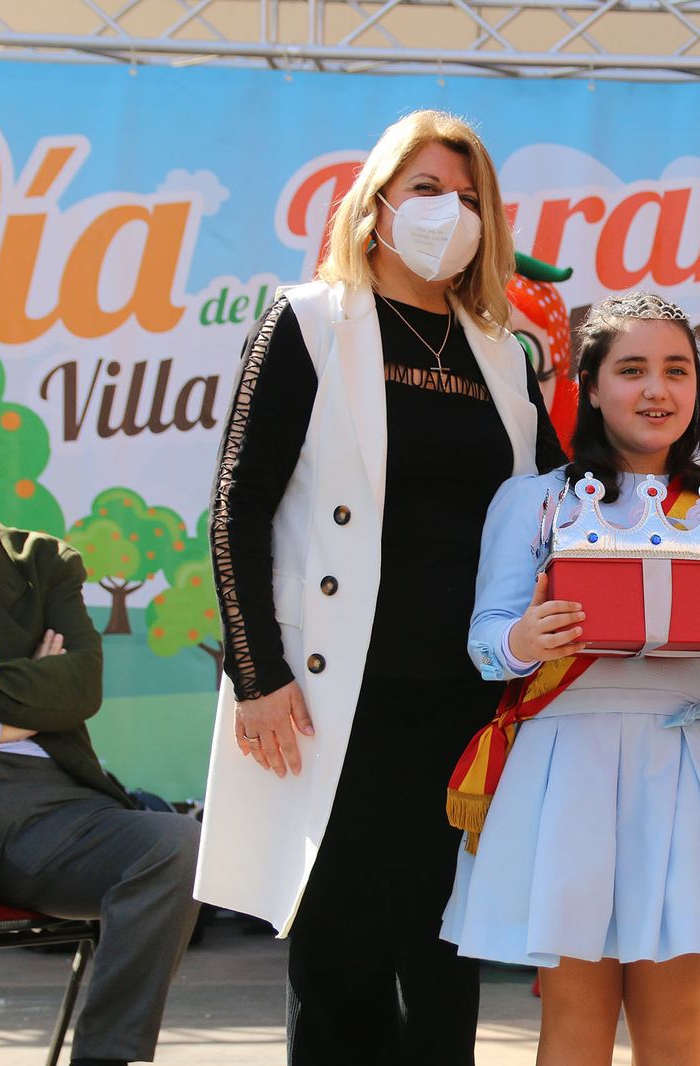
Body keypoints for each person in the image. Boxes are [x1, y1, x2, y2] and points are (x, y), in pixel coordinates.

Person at [194, 110, 565, 1066]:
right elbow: (235, 505)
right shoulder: (309, 321)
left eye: (472, 197)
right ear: (375, 208)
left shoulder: (503, 351)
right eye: (430, 191)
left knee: (445, 962)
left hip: (469, 701)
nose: (452, 213)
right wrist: (256, 674)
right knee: (342, 965)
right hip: (331, 700)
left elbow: (564, 505)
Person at [440, 291, 700, 1066]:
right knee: (575, 1022)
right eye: (632, 369)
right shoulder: (535, 500)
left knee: (674, 1025)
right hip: (569, 772)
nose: (656, 390)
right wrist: (522, 638)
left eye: (677, 370)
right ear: (593, 385)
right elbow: (482, 644)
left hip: (690, 770)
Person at [0, 403, 201, 1066]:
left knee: (172, 846)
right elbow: (50, 693)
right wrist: (18, 701)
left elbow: (80, 689)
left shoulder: (42, 563)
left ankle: (106, 1059)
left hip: (51, 807)